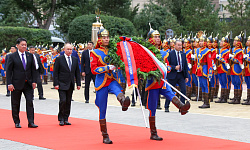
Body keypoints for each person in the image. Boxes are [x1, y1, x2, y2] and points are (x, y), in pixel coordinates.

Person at [145, 27, 190, 141]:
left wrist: (168, 68)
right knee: (153, 107)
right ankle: (153, 132)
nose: (157, 38)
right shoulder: (147, 53)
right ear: (150, 38)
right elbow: (144, 68)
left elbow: (168, 66)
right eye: (155, 36)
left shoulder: (164, 53)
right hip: (153, 82)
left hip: (162, 81)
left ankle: (181, 107)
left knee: (170, 93)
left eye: (159, 36)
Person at [90, 26, 130, 144]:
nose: (106, 39)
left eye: (107, 37)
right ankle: (105, 135)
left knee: (118, 90)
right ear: (99, 39)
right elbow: (93, 70)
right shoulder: (95, 52)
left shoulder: (113, 51)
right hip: (101, 82)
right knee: (102, 109)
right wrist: (106, 67)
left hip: (112, 79)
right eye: (104, 37)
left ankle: (123, 102)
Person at [6, 38, 38, 128]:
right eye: (22, 44)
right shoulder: (12, 56)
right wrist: (9, 83)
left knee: (30, 102)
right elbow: (9, 71)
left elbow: (33, 69)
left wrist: (34, 81)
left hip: (28, 83)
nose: (24, 46)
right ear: (17, 46)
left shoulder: (30, 56)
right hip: (16, 83)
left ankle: (31, 122)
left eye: (25, 45)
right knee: (16, 103)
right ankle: (16, 121)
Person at [53, 43, 81, 126]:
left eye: (71, 49)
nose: (69, 51)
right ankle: (61, 118)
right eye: (68, 49)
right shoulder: (59, 59)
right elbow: (55, 72)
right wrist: (56, 83)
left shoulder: (75, 59)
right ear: (64, 50)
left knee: (68, 101)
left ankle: (66, 118)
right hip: (61, 83)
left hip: (70, 84)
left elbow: (77, 73)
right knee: (63, 101)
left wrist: (78, 83)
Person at [167, 40, 189, 104]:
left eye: (181, 45)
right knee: (170, 91)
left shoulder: (183, 54)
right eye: (178, 45)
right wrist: (174, 67)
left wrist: (186, 76)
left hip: (181, 75)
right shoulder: (170, 54)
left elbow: (185, 66)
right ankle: (167, 106)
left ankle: (182, 106)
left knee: (183, 90)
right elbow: (168, 65)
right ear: (175, 45)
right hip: (173, 74)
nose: (180, 46)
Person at [196, 34, 213, 108]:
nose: (200, 43)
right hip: (199, 69)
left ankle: (207, 102)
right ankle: (204, 101)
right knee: (202, 85)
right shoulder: (197, 50)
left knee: (206, 85)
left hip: (205, 69)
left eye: (202, 41)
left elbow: (209, 63)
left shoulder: (207, 51)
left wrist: (209, 73)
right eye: (199, 41)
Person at [228, 33, 244, 104]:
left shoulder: (240, 51)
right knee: (234, 83)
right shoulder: (233, 49)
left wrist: (232, 58)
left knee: (238, 83)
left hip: (237, 68)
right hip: (232, 68)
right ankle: (235, 97)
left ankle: (238, 98)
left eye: (235, 41)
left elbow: (240, 61)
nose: (234, 42)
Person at [215, 34, 230, 103]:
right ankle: (221, 97)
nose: (220, 43)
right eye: (220, 41)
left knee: (225, 82)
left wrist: (219, 58)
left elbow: (225, 60)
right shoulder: (219, 50)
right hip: (219, 68)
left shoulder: (227, 51)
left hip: (224, 68)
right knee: (221, 82)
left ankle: (225, 97)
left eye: (222, 41)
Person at [242, 36, 250, 105]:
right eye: (247, 40)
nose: (247, 42)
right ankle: (248, 98)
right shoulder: (246, 49)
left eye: (249, 40)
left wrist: (247, 59)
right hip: (246, 68)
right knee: (248, 84)